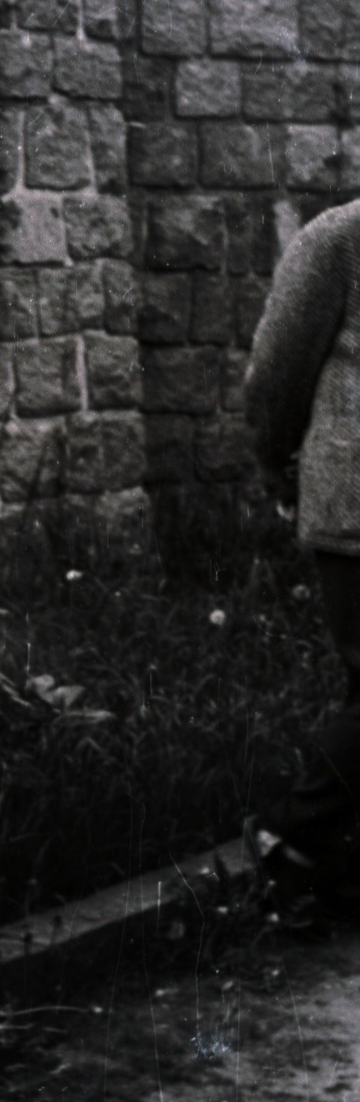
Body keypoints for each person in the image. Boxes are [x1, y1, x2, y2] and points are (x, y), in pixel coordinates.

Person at [245, 198, 360, 917]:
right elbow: (274, 375)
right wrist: (277, 461)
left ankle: (323, 866)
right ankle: (287, 838)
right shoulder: (337, 239)